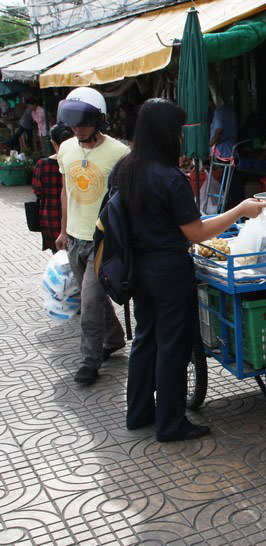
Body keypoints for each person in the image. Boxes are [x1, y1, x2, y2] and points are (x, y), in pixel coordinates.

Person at [114, 98, 266, 442]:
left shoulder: (125, 169)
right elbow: (196, 232)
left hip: (138, 268)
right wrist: (240, 209)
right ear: (166, 133)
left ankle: (138, 413)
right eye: (179, 131)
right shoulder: (170, 178)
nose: (182, 138)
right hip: (169, 271)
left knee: (145, 339)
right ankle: (170, 423)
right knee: (172, 347)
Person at [55, 87, 130, 386]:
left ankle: (90, 361)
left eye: (83, 122)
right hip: (73, 238)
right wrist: (62, 231)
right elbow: (66, 191)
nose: (77, 128)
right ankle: (114, 338)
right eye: (72, 123)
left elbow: (127, 200)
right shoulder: (65, 149)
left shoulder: (120, 154)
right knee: (95, 299)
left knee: (88, 303)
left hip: (102, 241)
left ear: (99, 120)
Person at [31, 123, 73, 252]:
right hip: (74, 220)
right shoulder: (76, 163)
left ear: (52, 143)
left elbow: (37, 191)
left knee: (59, 259)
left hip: (51, 217)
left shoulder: (42, 165)